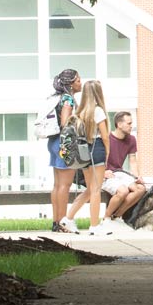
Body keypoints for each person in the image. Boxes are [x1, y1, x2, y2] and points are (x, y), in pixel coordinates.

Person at [64, 80, 113, 235]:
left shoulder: (79, 111)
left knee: (90, 189)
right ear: (98, 93)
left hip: (83, 150)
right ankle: (94, 226)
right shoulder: (98, 111)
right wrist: (108, 152)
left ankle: (68, 218)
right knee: (96, 189)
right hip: (96, 148)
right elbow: (105, 136)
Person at [48, 69, 83, 233]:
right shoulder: (68, 99)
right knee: (65, 185)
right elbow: (65, 123)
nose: (80, 83)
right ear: (70, 83)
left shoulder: (57, 98)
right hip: (65, 143)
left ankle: (56, 221)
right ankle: (63, 222)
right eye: (78, 80)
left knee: (57, 185)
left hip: (54, 141)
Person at [99, 111, 145, 230]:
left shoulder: (131, 139)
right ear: (119, 124)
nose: (131, 126)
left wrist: (137, 177)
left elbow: (133, 161)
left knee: (141, 189)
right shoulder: (106, 138)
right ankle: (106, 219)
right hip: (105, 174)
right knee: (123, 191)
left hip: (119, 173)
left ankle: (117, 217)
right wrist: (103, 172)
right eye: (129, 123)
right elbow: (96, 159)